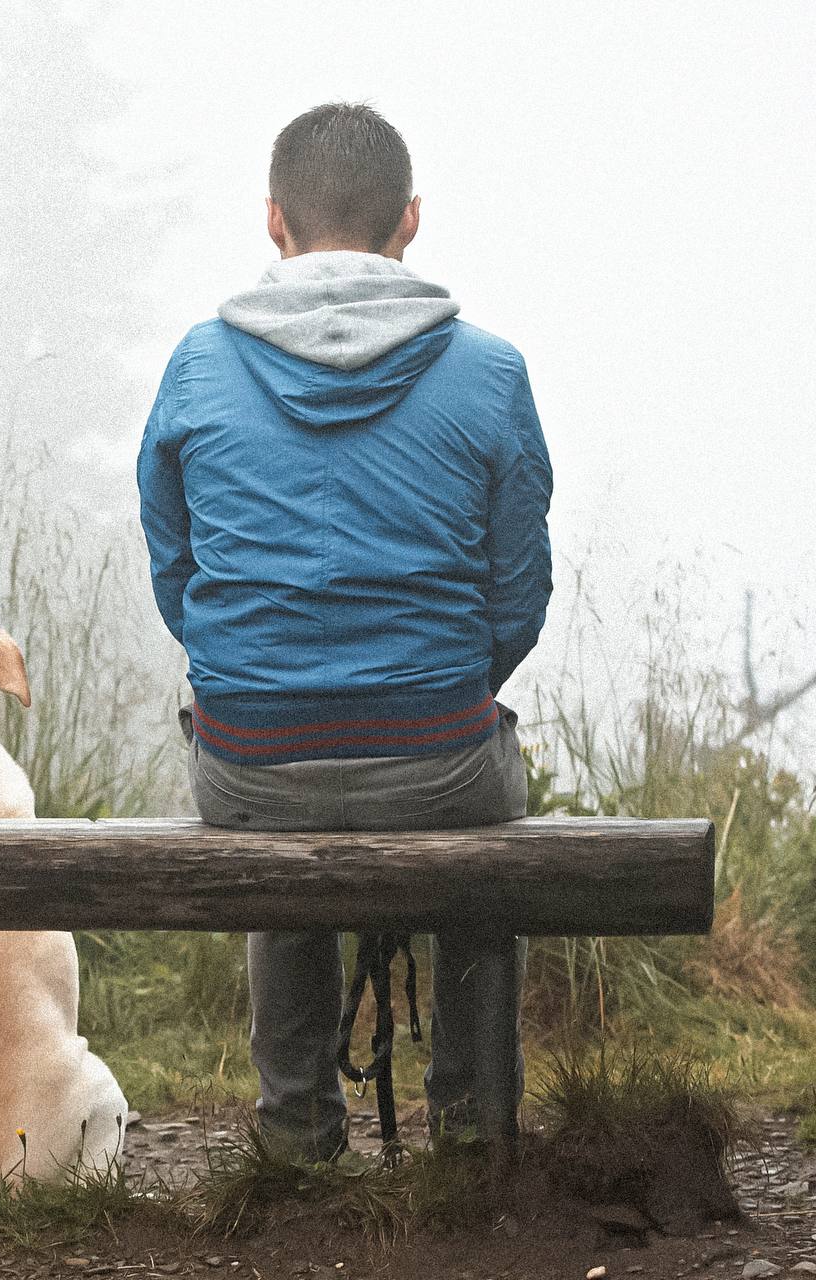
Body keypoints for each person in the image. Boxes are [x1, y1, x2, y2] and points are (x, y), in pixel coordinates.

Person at [136, 102, 552, 1160]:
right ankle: (469, 1133)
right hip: (439, 762)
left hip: (250, 763)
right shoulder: (489, 371)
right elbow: (518, 589)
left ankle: (295, 1134)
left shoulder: (194, 365)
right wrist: (437, 687)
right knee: (481, 817)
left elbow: (175, 565)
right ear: (408, 221)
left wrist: (258, 674)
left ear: (272, 222)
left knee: (270, 796)